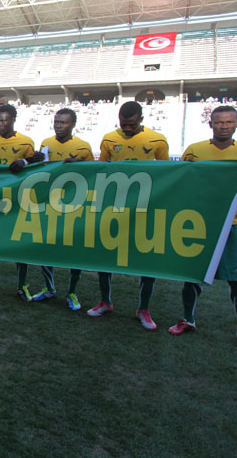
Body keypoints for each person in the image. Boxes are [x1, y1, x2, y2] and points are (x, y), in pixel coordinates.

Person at [169, 105, 237, 355]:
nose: (223, 126)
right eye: (219, 122)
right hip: (199, 223)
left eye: (229, 122)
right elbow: (183, 182)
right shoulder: (194, 150)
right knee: (192, 276)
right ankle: (187, 319)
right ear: (210, 123)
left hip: (233, 225)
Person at [87, 100, 169, 330]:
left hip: (145, 207)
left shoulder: (157, 140)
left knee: (146, 258)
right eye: (124, 124)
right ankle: (105, 301)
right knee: (105, 254)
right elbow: (100, 170)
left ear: (141, 120)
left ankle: (143, 309)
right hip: (114, 206)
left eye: (132, 124)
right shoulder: (109, 139)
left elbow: (169, 174)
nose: (127, 129)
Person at [32, 108, 95, 310]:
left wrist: (80, 165)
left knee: (73, 250)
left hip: (74, 204)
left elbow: (95, 174)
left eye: (63, 122)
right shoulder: (45, 143)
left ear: (73, 125)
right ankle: (49, 288)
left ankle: (72, 292)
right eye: (56, 121)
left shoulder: (83, 147)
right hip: (50, 202)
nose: (58, 125)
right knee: (44, 248)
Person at [0, 104, 40, 294]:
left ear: (13, 120)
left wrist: (23, 162)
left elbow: (37, 162)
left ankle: (22, 285)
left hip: (17, 199)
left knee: (18, 244)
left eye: (4, 120)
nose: (0, 124)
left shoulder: (26, 142)